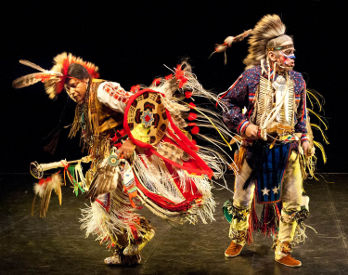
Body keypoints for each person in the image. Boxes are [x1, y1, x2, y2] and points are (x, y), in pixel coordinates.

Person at [13, 53, 230, 265]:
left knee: (105, 206)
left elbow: (145, 109)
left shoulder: (103, 90)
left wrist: (132, 141)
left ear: (85, 80)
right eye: (67, 88)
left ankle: (140, 235)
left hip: (122, 158)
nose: (71, 92)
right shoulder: (85, 102)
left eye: (74, 85)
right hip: (109, 159)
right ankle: (128, 254)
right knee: (107, 209)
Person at [216, 14, 316, 268]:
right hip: (254, 149)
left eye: (294, 52)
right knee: (241, 198)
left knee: (294, 199)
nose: (292, 58)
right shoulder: (251, 77)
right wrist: (245, 126)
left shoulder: (298, 81)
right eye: (288, 53)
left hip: (288, 148)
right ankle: (238, 236)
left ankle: (283, 247)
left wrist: (305, 138)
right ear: (272, 55)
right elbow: (224, 101)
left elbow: (301, 115)